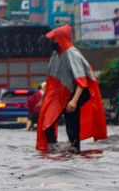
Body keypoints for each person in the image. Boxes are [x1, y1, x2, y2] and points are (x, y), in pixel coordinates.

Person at [36, 25, 107, 153]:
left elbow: (82, 82)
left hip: (81, 91)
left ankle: (74, 146)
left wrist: (74, 101)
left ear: (61, 38)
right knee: (46, 120)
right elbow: (50, 82)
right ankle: (54, 146)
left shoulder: (72, 54)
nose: (53, 42)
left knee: (71, 114)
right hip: (64, 93)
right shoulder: (56, 56)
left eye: (55, 39)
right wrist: (42, 100)